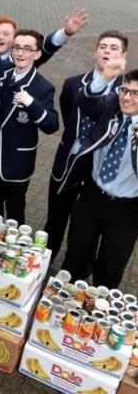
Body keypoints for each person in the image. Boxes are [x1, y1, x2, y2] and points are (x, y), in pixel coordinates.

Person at [44, 31, 127, 261]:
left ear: (123, 56)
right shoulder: (73, 84)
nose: (107, 51)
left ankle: (76, 270)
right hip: (67, 161)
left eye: (113, 48)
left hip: (96, 169)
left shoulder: (128, 93)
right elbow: (69, 109)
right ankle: (44, 261)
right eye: (103, 46)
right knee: (56, 218)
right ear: (95, 52)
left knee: (84, 229)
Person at [61, 61, 138, 288]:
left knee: (110, 267)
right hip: (92, 197)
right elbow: (84, 101)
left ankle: (95, 313)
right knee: (76, 255)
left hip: (127, 210)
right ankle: (66, 305)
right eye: (125, 90)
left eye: (135, 94)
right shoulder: (112, 106)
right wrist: (104, 78)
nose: (126, 98)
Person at [0, 29, 59, 225]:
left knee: (15, 212)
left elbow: (52, 125)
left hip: (17, 163)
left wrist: (32, 104)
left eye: (27, 49)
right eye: (17, 47)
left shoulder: (42, 86)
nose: (20, 53)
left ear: (37, 55)